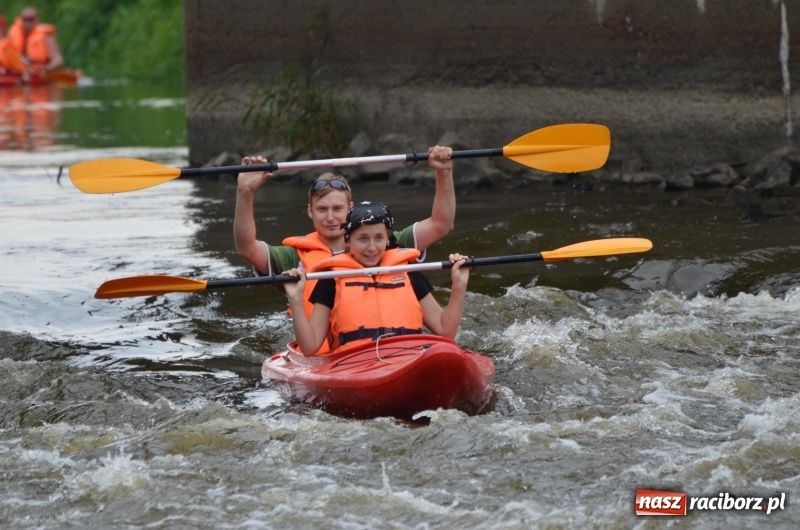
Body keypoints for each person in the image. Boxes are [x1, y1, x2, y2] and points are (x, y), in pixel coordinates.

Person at [234, 145, 456, 320]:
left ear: (350, 208)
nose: (330, 217)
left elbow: (441, 224)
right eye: (322, 209)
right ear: (310, 211)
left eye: (337, 208)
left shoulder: (382, 243)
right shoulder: (293, 258)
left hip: (379, 340)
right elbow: (246, 248)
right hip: (324, 349)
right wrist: (245, 192)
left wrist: (443, 173)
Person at [282, 201, 470, 356]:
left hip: (409, 356)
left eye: (378, 238)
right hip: (355, 363)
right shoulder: (332, 278)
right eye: (363, 239)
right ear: (348, 241)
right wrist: (296, 300)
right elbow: (309, 347)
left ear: (388, 239)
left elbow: (446, 331)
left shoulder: (408, 270)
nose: (372, 247)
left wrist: (459, 287)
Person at [7, 6, 63, 75]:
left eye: (31, 19)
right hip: (20, 73)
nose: (27, 23)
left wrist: (46, 69)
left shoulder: (46, 36)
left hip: (41, 74)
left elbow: (57, 60)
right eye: (25, 19)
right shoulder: (13, 34)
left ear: (37, 20)